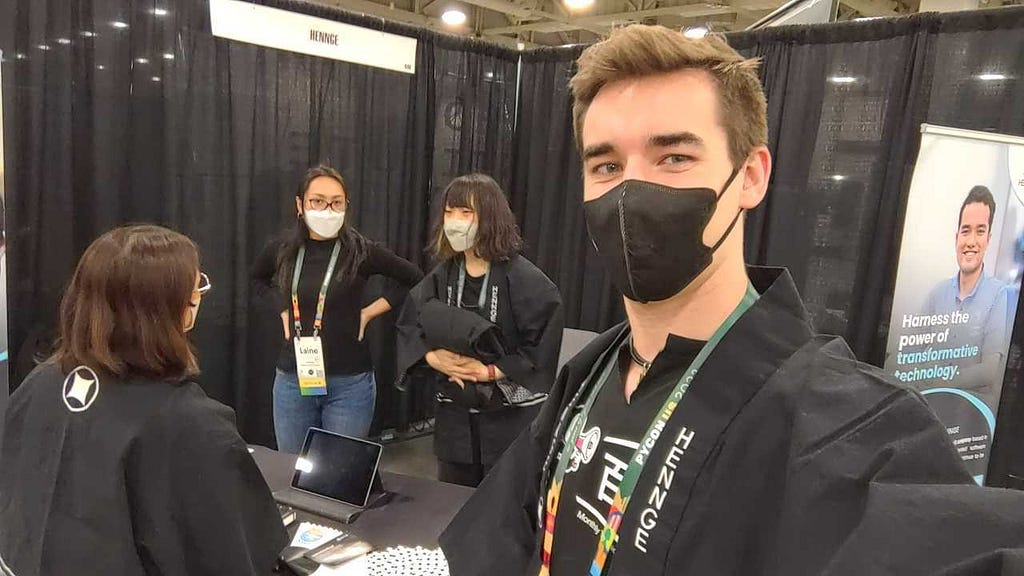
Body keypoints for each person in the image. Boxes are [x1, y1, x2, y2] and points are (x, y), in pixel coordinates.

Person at [440, 26, 1024, 576]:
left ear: (750, 175)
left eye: (674, 158)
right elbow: (497, 538)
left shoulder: (846, 424)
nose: (629, 192)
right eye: (607, 165)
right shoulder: (588, 376)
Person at [0, 225, 287, 575]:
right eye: (194, 289)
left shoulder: (41, 383)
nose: (199, 296)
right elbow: (235, 554)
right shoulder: (189, 423)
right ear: (171, 310)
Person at [396, 174, 564, 487]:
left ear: (489, 217)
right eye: (449, 213)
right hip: (455, 420)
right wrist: (433, 359)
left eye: (466, 213)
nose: (455, 222)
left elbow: (540, 346)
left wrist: (489, 371)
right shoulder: (442, 276)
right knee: (452, 501)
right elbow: (410, 323)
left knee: (504, 503)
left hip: (509, 422)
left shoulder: (527, 281)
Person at [252, 165, 423, 453]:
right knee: (292, 471)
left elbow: (415, 278)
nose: (327, 209)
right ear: (300, 204)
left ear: (346, 206)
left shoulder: (360, 250)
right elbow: (257, 280)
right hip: (294, 382)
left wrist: (370, 312)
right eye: (317, 201)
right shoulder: (282, 249)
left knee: (338, 476)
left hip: (350, 385)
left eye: (336, 202)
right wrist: (281, 308)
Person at [920, 185, 1010, 408]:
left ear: (988, 239)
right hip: (930, 406)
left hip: (969, 415)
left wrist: (940, 380)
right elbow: (905, 351)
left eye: (980, 231)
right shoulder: (937, 293)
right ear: (956, 236)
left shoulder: (999, 294)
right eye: (965, 230)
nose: (970, 241)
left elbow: (989, 371)